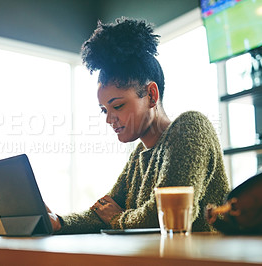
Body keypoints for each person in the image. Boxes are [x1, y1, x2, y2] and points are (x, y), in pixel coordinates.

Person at [47, 17, 230, 234]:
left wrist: (117, 218)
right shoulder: (139, 155)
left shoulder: (190, 127)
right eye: (105, 110)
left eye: (118, 105)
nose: (109, 119)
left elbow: (165, 213)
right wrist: (59, 222)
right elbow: (104, 210)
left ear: (151, 95)